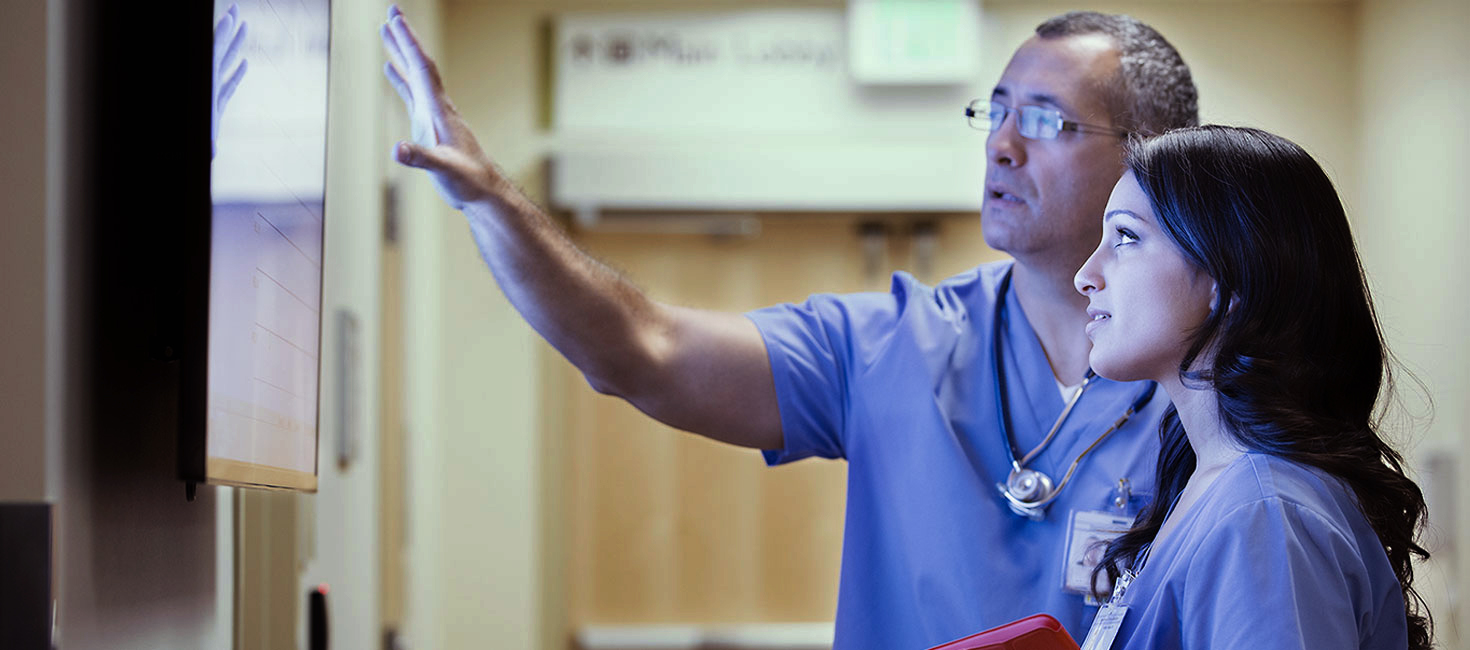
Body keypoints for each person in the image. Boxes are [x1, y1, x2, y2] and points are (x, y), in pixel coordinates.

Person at [379, 6, 1198, 648]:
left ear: (1155, 155)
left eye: (1047, 120)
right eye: (997, 111)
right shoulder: (888, 346)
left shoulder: (1217, 378)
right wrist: (490, 200)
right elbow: (640, 351)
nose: (1003, 145)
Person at [1073, 125, 1431, 649]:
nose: (1086, 275)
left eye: (1126, 237)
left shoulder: (1264, 515)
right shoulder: (1214, 490)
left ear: (1229, 276)